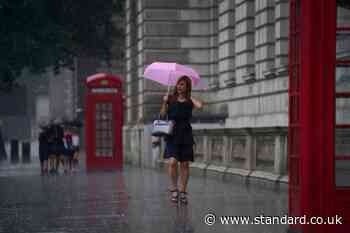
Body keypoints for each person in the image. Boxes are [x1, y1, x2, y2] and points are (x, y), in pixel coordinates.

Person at [160, 75, 203, 204]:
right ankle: (174, 189)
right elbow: (162, 115)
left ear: (187, 86)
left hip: (186, 135)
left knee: (184, 164)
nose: (179, 86)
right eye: (178, 84)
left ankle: (183, 191)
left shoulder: (190, 101)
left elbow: (200, 106)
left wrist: (189, 96)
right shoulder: (170, 99)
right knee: (173, 162)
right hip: (172, 134)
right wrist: (164, 101)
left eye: (182, 84)